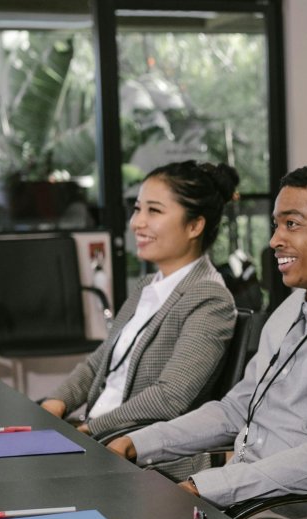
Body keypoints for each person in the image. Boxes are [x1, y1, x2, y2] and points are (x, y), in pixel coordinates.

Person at [106, 163, 307, 508]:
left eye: (292, 224)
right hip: (238, 498)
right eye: (276, 224)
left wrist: (202, 487)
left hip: (284, 515)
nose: (274, 240)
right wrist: (136, 442)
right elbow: (237, 411)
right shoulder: (291, 307)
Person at [41, 161, 238, 438]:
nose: (136, 223)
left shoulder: (209, 298)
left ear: (194, 226)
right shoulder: (148, 286)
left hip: (140, 452)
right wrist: (53, 404)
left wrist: (89, 430)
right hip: (99, 435)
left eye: (154, 211)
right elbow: (99, 363)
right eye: (137, 209)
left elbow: (169, 397)